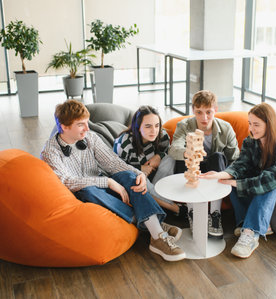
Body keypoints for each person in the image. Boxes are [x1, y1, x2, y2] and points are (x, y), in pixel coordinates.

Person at [41, 100, 185, 262]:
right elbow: (67, 182)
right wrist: (109, 183)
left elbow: (112, 162)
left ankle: (157, 237)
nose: (87, 129)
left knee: (129, 176)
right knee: (89, 190)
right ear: (65, 126)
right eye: (81, 125)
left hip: (101, 182)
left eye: (87, 123)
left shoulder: (91, 137)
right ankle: (153, 225)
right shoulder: (50, 151)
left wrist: (139, 174)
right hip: (83, 192)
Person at [200, 103, 276, 258]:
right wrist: (220, 175)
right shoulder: (250, 141)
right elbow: (240, 165)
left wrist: (238, 183)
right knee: (232, 178)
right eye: (250, 123)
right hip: (266, 176)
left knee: (268, 184)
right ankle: (245, 222)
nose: (251, 129)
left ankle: (251, 233)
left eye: (256, 124)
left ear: (269, 124)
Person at [169, 90, 239, 238]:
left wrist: (228, 173)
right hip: (193, 168)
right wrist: (189, 152)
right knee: (183, 158)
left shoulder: (226, 128)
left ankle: (215, 214)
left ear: (216, 110)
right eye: (199, 112)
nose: (204, 118)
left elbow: (235, 158)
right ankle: (192, 211)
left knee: (218, 156)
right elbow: (174, 149)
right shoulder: (184, 125)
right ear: (193, 110)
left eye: (208, 112)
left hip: (215, 170)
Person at [114, 105, 187, 218]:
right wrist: (140, 169)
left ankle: (157, 201)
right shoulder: (123, 143)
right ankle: (174, 207)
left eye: (157, 125)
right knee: (137, 177)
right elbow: (116, 170)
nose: (154, 131)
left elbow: (168, 152)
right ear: (137, 127)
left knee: (170, 159)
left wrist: (159, 155)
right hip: (137, 184)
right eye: (148, 126)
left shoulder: (162, 135)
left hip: (156, 179)